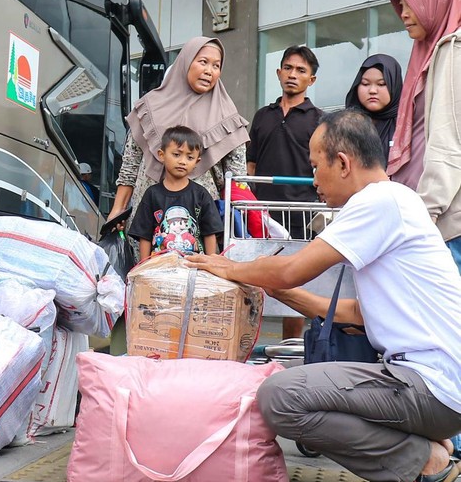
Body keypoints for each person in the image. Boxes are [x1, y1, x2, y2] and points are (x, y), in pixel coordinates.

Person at [187, 110, 461, 482]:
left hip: (429, 385)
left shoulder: (377, 202)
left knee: (280, 397)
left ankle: (421, 465)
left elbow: (291, 267)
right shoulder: (399, 200)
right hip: (438, 388)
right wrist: (279, 290)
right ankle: (427, 451)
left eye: (316, 166)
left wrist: (229, 268)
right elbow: (359, 314)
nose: (314, 180)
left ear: (344, 163)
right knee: (296, 390)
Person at [106, 36, 249, 227]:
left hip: (199, 222)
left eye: (216, 66)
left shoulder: (227, 116)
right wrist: (118, 209)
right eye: (203, 62)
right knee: (147, 258)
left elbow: (238, 180)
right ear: (186, 62)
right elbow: (130, 166)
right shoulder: (150, 106)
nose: (209, 71)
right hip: (147, 219)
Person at [386, 0, 461, 271]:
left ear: (435, 1)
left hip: (445, 224)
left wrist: (427, 210)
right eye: (401, 6)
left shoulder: (453, 51)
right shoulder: (428, 52)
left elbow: (449, 139)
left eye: (410, 5)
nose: (403, 14)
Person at [246, 45, 321, 339]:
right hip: (260, 213)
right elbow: (250, 164)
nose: (293, 75)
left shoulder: (318, 119)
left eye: (301, 70)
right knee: (253, 277)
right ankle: (247, 343)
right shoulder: (263, 116)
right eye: (288, 68)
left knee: (295, 282)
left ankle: (290, 347)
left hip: (301, 213)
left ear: (311, 80)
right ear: (278, 73)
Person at [128, 126, 223, 260]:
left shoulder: (200, 194)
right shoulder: (152, 194)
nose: (182, 161)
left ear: (197, 161)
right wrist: (144, 266)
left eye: (190, 157)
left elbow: (210, 232)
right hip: (159, 267)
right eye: (176, 155)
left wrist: (210, 262)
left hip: (193, 266)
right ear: (162, 155)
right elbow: (145, 235)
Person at [344, 54, 403, 165]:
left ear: (394, 85)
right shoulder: (345, 125)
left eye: (381, 84)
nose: (372, 90)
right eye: (365, 84)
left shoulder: (406, 125)